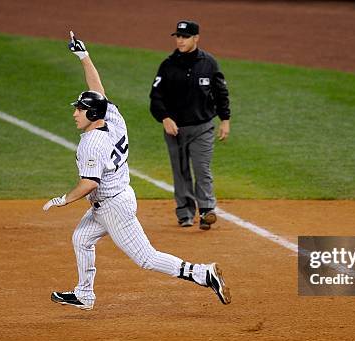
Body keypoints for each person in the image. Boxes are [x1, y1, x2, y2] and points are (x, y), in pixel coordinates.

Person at [43, 31, 231, 310]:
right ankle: (84, 294)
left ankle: (203, 273)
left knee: (146, 258)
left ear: (92, 115)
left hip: (112, 207)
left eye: (80, 110)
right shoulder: (114, 119)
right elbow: (99, 93)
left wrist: (64, 200)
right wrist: (84, 57)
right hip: (116, 197)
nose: (75, 113)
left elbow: (90, 183)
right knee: (81, 238)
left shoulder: (92, 144)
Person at [150, 20, 231, 230]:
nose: (180, 40)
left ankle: (206, 211)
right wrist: (165, 118)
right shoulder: (167, 65)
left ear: (196, 38)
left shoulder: (209, 63)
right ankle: (185, 213)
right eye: (177, 36)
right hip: (174, 129)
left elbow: (221, 93)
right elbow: (156, 97)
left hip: (202, 127)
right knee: (181, 171)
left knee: (202, 169)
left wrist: (225, 120)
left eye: (184, 37)